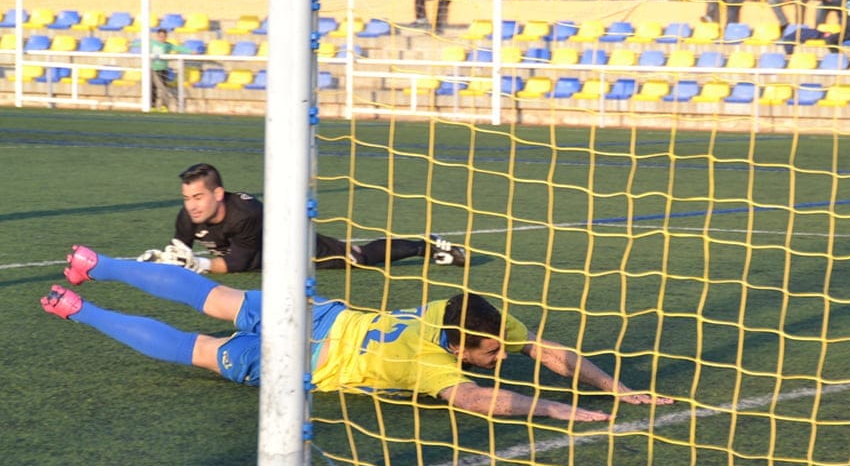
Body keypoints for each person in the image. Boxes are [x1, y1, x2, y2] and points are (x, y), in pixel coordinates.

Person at [42, 245, 674, 421]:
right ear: (459, 347)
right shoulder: (434, 369)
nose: (503, 353)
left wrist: (613, 386)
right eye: (492, 350)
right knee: (194, 350)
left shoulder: (456, 310)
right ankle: (79, 310)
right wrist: (575, 412)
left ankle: (95, 265)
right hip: (305, 361)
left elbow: (543, 350)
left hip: (322, 318)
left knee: (213, 297)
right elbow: (493, 401)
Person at [138, 163, 465, 274]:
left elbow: (236, 264)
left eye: (198, 197)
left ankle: (425, 246)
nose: (192, 206)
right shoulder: (188, 215)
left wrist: (200, 265)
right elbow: (180, 248)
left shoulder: (247, 214)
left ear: (218, 194)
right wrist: (166, 258)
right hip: (259, 259)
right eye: (187, 198)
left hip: (292, 246)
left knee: (358, 258)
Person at [150, 28, 188, 108]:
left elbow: (178, 48)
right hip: (153, 69)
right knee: (152, 88)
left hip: (162, 69)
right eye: (160, 36)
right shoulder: (152, 43)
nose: (162, 38)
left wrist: (190, 51)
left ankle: (164, 105)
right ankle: (152, 105)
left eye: (164, 36)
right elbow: (140, 44)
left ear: (166, 37)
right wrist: (130, 45)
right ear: (157, 36)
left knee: (163, 88)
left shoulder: (167, 45)